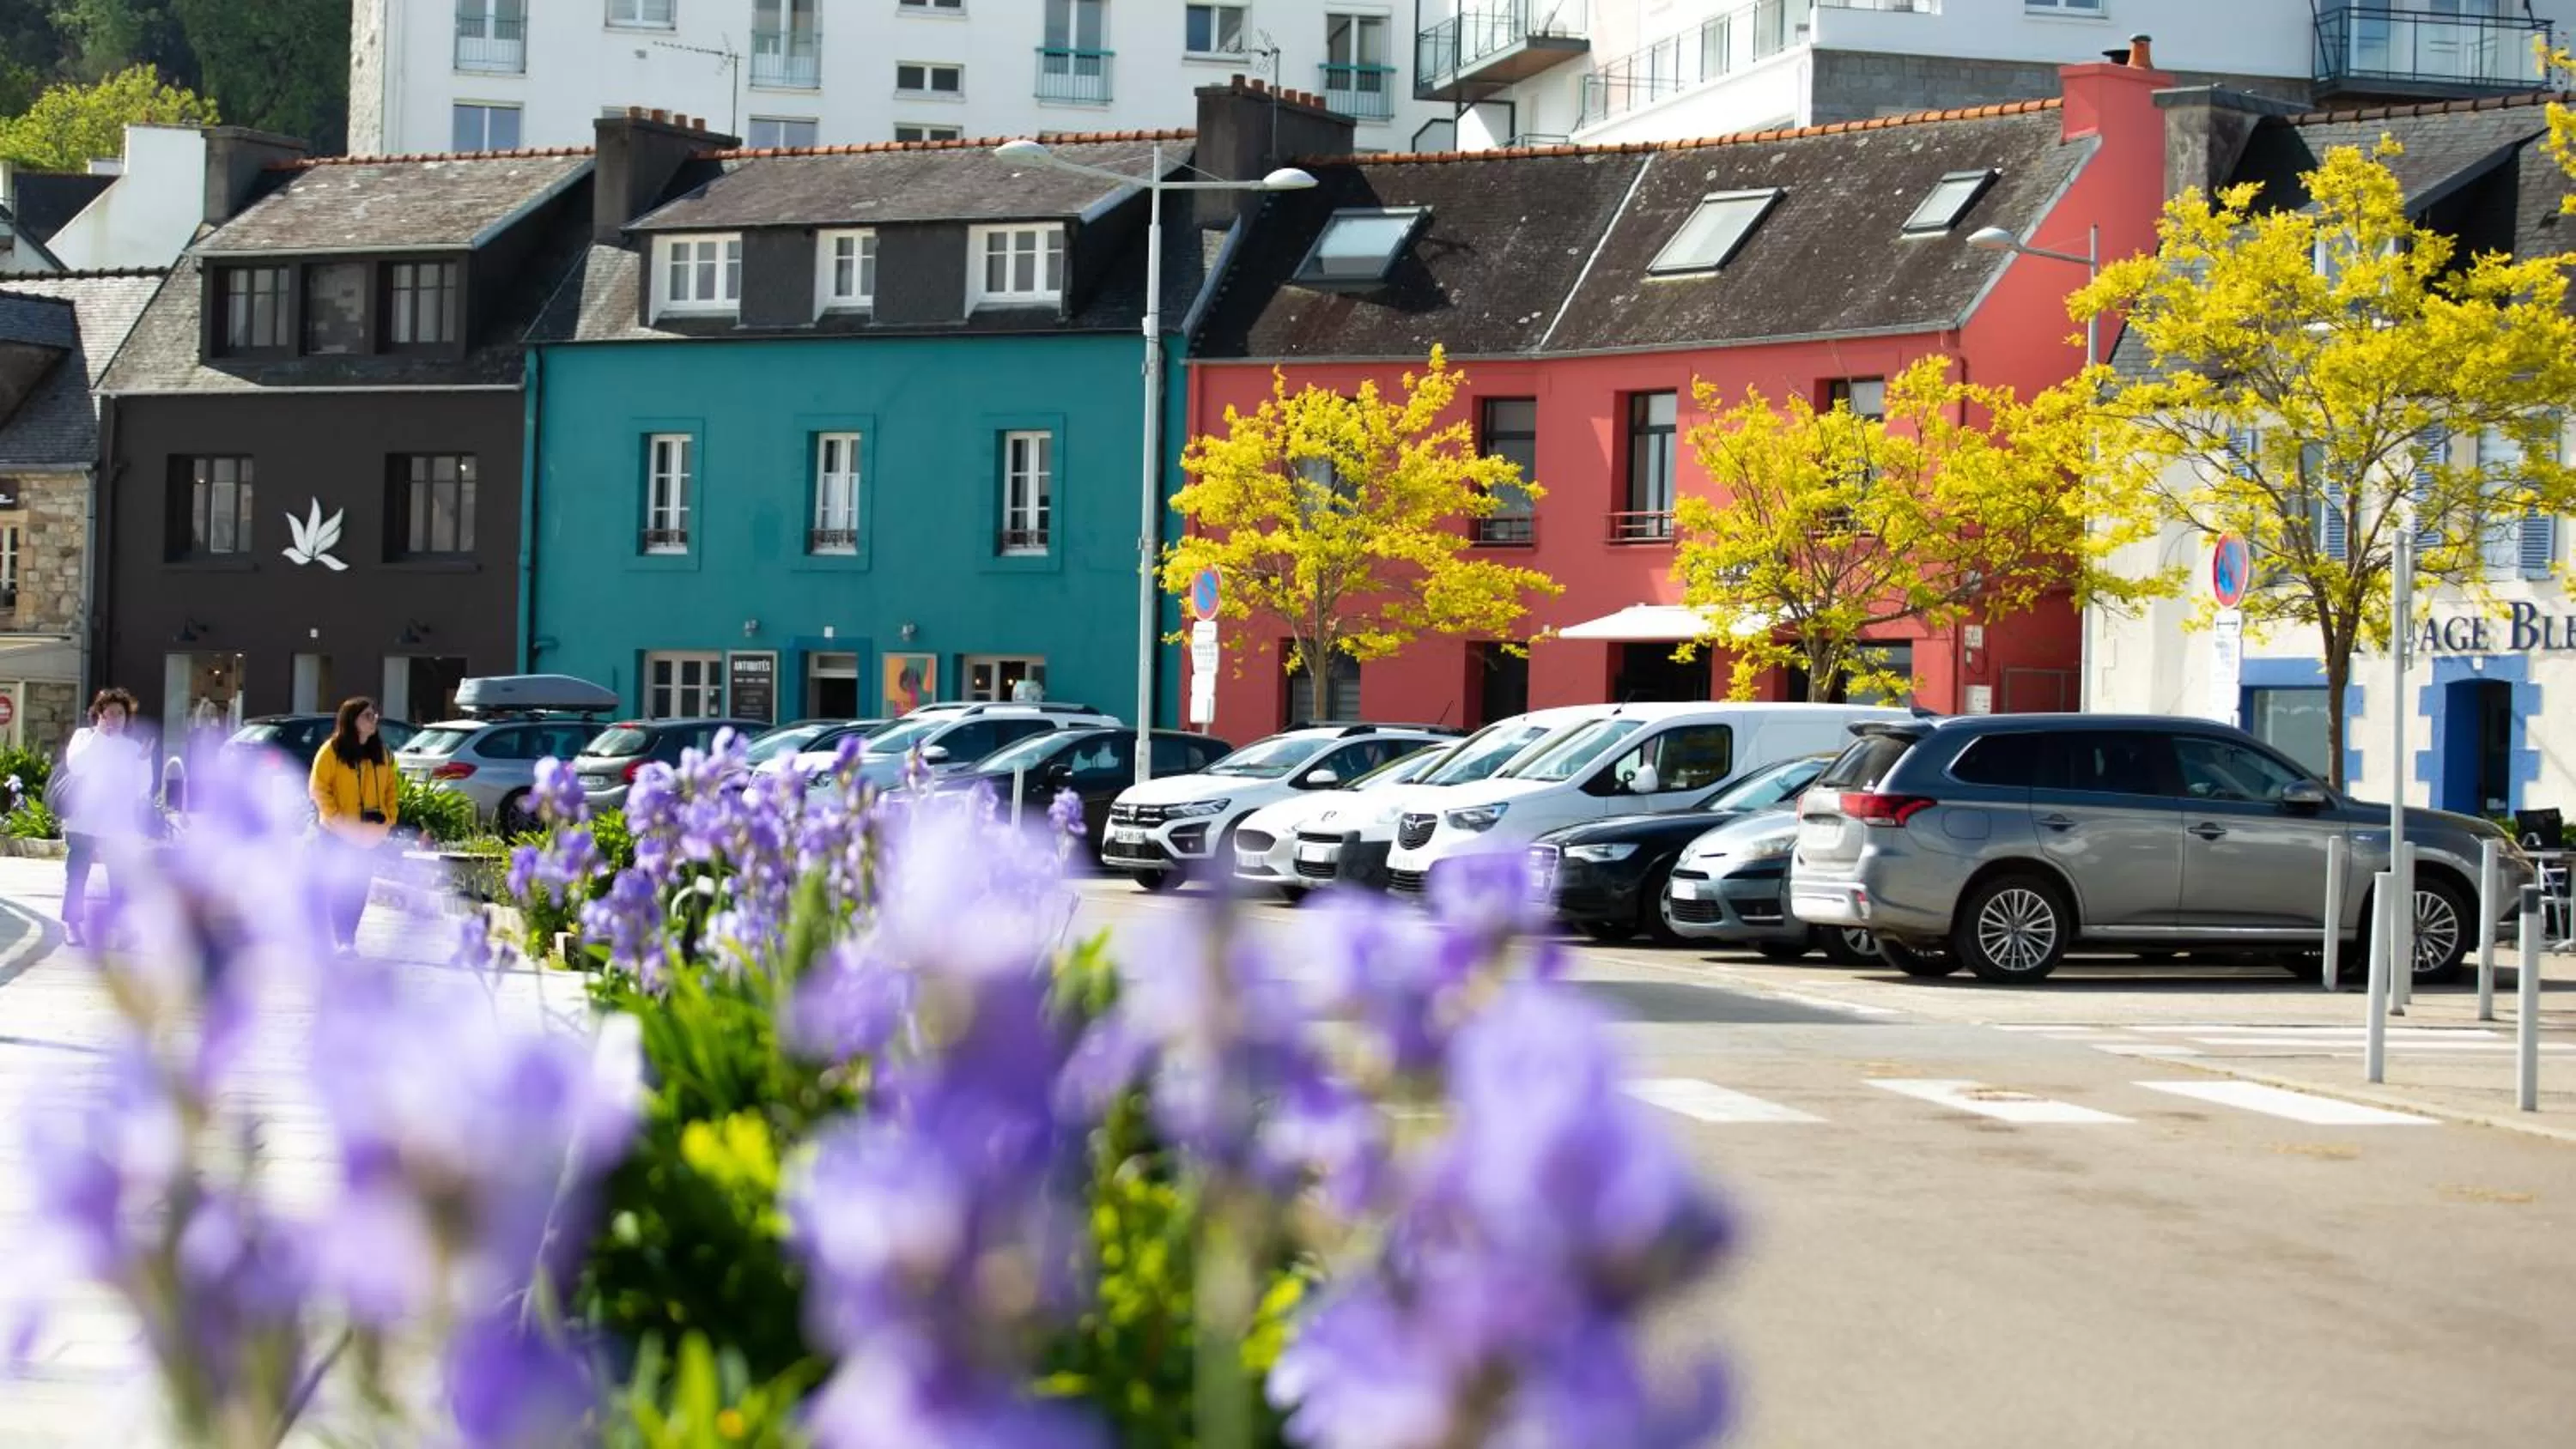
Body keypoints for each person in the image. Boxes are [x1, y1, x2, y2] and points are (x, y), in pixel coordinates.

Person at [58, 687, 152, 947]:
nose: (114, 719)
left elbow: (142, 789)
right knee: (77, 875)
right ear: (98, 714)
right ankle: (73, 925)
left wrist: (144, 761)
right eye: (109, 713)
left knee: (119, 879)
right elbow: (76, 766)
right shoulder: (83, 737)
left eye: (120, 714)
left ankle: (121, 929)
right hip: (82, 820)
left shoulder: (133, 748)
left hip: (117, 825)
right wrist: (100, 736)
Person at [309, 696, 400, 953]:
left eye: (374, 715)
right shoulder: (331, 751)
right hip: (337, 834)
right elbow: (318, 789)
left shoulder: (380, 753)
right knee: (340, 887)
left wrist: (390, 817)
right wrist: (336, 819)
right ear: (352, 720)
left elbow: (392, 789)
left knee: (359, 889)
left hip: (370, 836)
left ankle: (348, 937)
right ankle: (342, 939)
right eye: (367, 716)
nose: (374, 720)